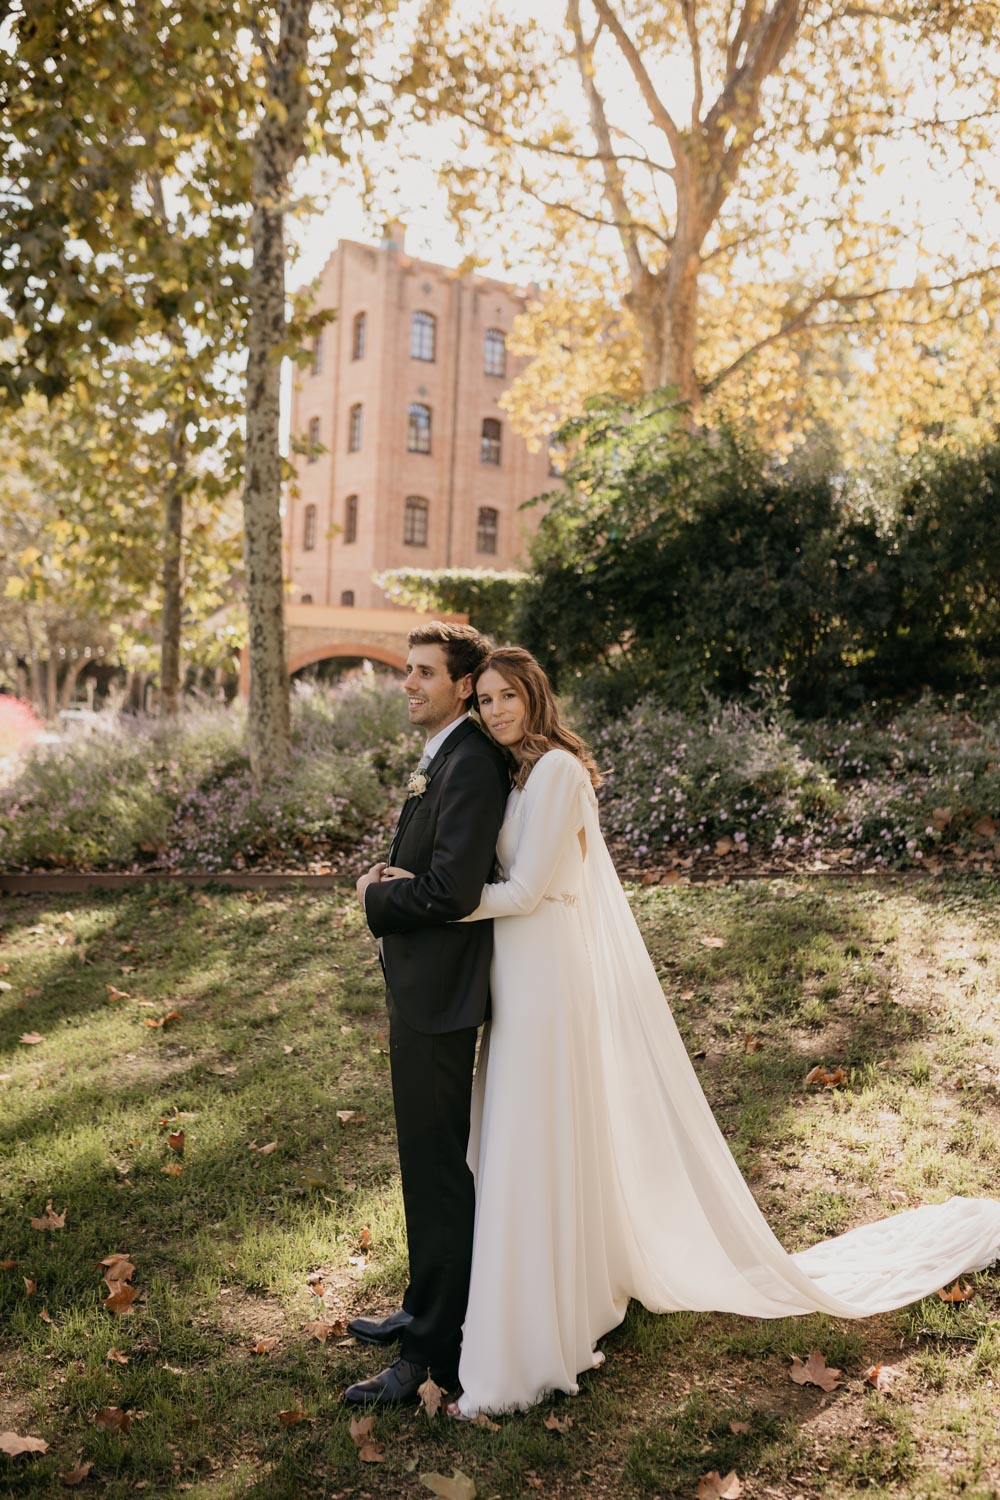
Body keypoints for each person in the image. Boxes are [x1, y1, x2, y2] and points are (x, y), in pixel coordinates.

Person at [381, 645, 1000, 1417]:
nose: (497, 711)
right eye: (489, 701)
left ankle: (539, 1323)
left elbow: (528, 889)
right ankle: (528, 1293)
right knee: (515, 1136)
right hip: (517, 975)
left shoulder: (562, 775)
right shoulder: (516, 773)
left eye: (510, 697)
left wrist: (436, 897)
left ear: (536, 699)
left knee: (529, 1133)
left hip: (544, 976)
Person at [343, 623, 509, 1407]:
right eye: (406, 671)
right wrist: (390, 869)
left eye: (421, 673)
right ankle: (423, 1303)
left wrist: (376, 897)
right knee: (424, 1164)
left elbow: (453, 892)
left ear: (462, 684)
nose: (406, 683)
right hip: (422, 988)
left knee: (438, 1172)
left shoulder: (471, 762)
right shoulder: (447, 753)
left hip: (442, 998)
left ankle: (429, 1353)